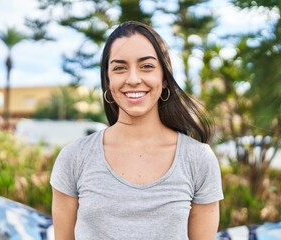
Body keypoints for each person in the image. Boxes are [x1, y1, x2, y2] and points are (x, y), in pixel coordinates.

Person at [50, 21, 224, 240]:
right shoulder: (74, 158)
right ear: (108, 80)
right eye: (120, 68)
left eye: (147, 66)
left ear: (164, 79)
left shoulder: (198, 159)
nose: (133, 79)